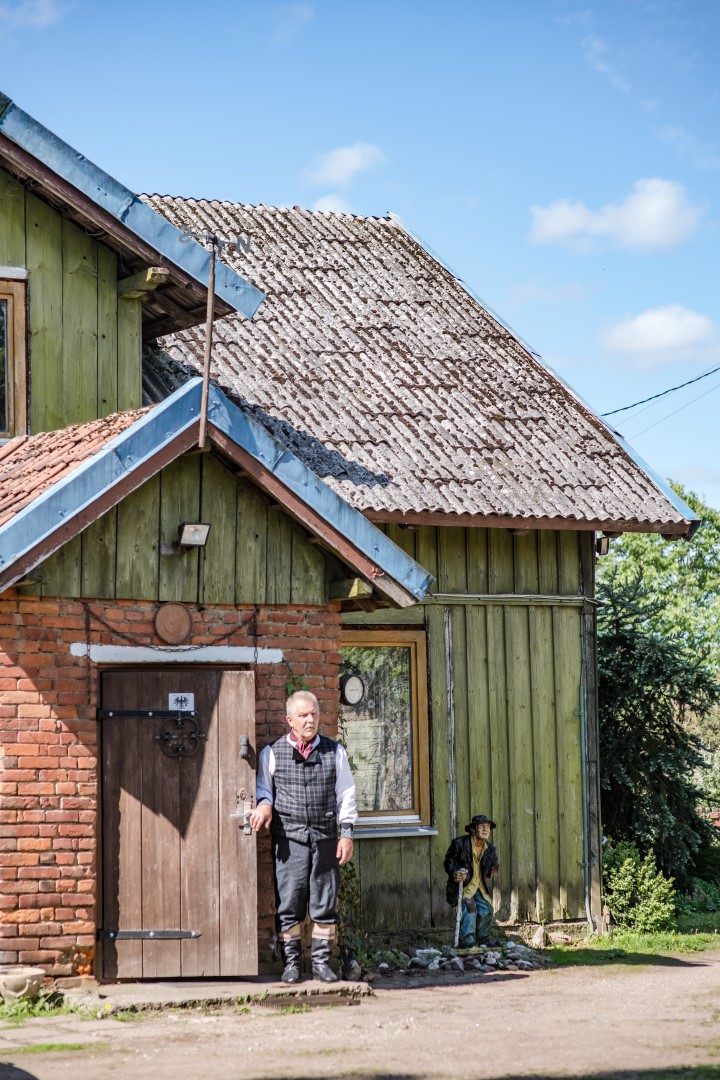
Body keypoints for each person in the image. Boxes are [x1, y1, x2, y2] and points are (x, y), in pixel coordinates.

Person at [249, 690, 357, 983]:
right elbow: (263, 790)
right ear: (290, 720)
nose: (310, 720)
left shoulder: (335, 751)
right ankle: (292, 964)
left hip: (325, 836)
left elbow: (345, 794)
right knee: (290, 901)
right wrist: (264, 805)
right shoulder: (272, 752)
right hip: (289, 838)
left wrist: (346, 834)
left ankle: (321, 964)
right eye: (303, 715)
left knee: (324, 900)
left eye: (314, 714)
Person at [443, 814, 500, 947]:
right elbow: (448, 861)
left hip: (479, 886)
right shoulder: (460, 843)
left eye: (488, 827)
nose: (486, 829)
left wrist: (493, 867)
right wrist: (455, 872)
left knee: (487, 909)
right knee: (470, 909)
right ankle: (467, 942)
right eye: (482, 826)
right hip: (464, 885)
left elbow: (491, 864)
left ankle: (483, 939)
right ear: (474, 829)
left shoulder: (490, 848)